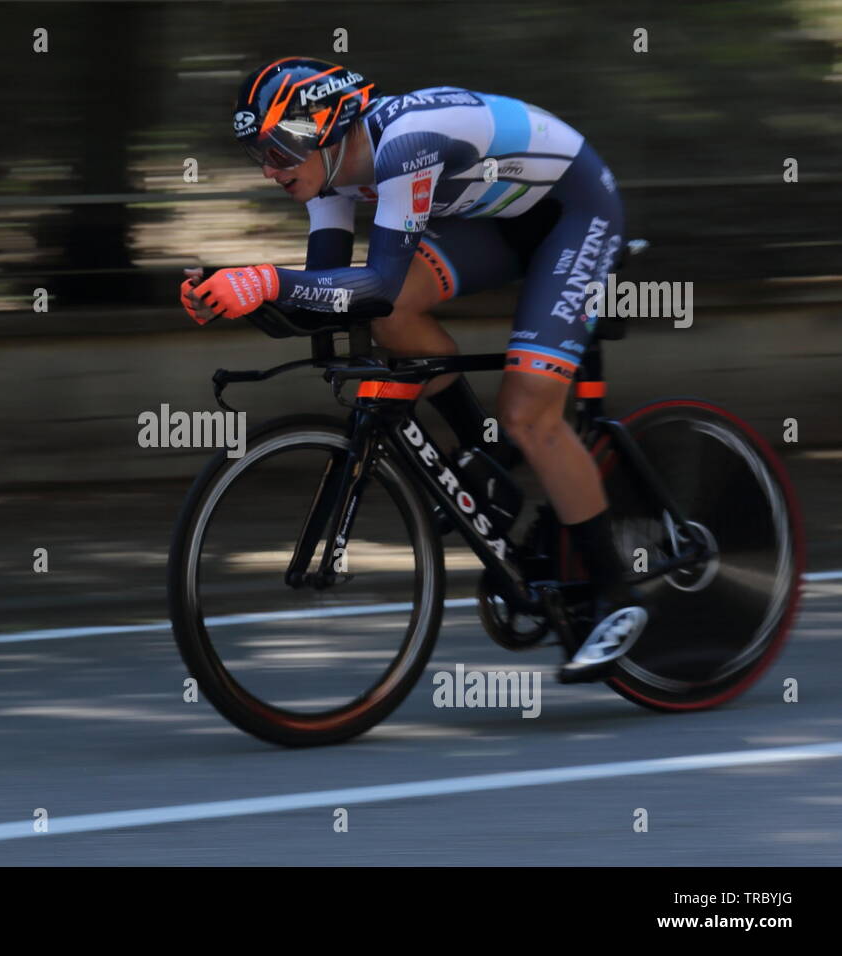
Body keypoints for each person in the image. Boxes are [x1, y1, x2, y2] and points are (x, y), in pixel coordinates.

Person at [181, 56, 645, 682]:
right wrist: (236, 296)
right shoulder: (328, 177)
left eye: (278, 147)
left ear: (324, 126)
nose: (270, 168)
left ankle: (616, 598)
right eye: (258, 152)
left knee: (529, 411)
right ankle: (486, 467)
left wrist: (264, 280)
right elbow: (331, 296)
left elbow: (370, 283)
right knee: (392, 318)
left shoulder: (406, 144)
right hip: (498, 218)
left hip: (573, 212)